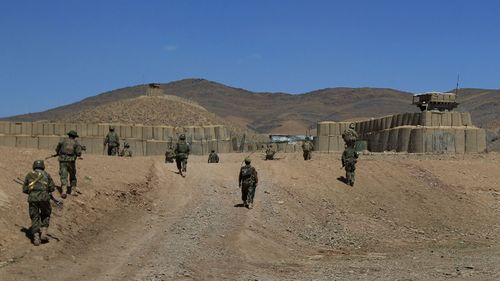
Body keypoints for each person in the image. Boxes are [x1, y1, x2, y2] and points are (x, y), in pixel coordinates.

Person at [22, 160, 56, 246]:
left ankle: (36, 237)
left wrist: (32, 191)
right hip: (44, 198)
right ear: (43, 166)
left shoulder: (29, 174)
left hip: (33, 199)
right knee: (46, 213)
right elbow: (52, 188)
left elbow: (25, 189)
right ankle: (44, 232)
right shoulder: (47, 175)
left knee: (34, 216)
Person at [55, 130, 82, 198]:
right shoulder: (76, 143)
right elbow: (79, 153)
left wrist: (59, 153)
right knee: (72, 175)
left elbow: (57, 149)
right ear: (74, 137)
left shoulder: (63, 141)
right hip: (71, 161)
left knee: (63, 175)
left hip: (62, 161)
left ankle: (64, 191)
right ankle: (73, 191)